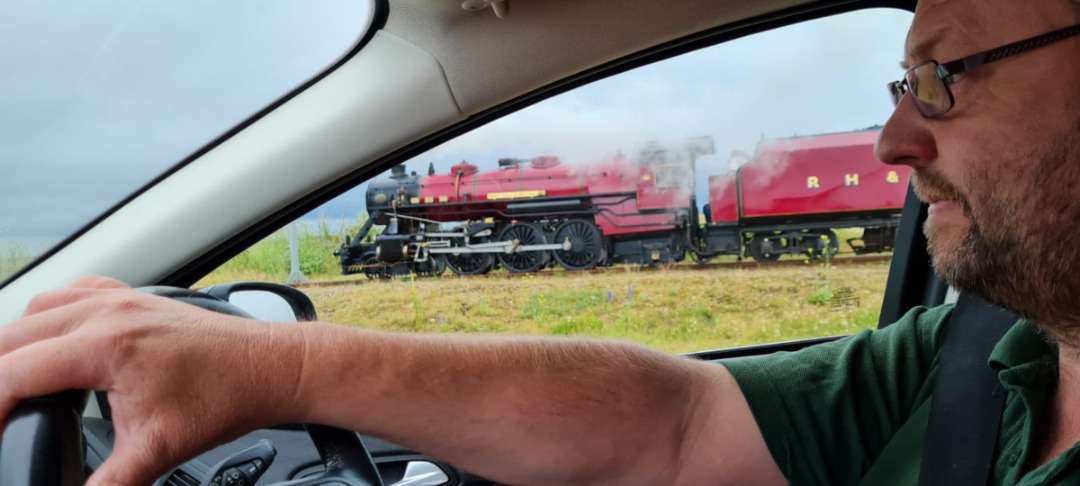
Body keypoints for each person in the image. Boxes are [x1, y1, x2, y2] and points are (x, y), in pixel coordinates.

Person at [5, 0, 1080, 484]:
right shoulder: (976, 356)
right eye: (901, 84)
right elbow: (678, 418)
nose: (897, 137)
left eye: (946, 74)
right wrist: (282, 361)